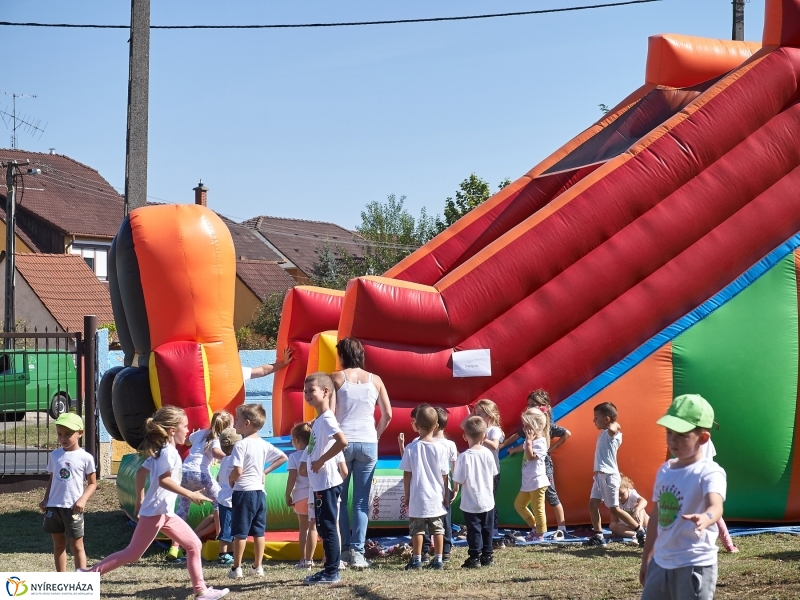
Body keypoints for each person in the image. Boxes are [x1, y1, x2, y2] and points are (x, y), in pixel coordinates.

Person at [82, 406, 229, 600]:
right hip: (156, 512)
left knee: (193, 544)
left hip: (164, 512)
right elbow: (163, 480)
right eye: (184, 426)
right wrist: (190, 495)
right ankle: (88, 576)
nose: (187, 430)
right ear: (172, 430)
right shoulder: (168, 453)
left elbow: (141, 473)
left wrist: (140, 498)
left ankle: (201, 591)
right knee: (132, 554)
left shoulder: (162, 452)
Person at [640, 394, 727, 600]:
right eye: (669, 432)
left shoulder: (709, 472)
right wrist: (646, 557)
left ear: (703, 438)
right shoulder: (665, 470)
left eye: (681, 434)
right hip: (661, 562)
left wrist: (706, 517)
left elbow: (716, 505)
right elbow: (656, 517)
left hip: (694, 564)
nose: (673, 440)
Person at [330, 337, 392, 569]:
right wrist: (376, 435)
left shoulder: (336, 378)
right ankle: (358, 551)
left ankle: (344, 549)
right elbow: (388, 414)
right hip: (368, 442)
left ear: (342, 355)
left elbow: (331, 412)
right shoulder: (376, 380)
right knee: (361, 502)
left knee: (339, 499)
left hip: (342, 442)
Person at [501, 389, 571, 538]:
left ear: (543, 406)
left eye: (533, 404)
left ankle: (561, 527)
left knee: (551, 496)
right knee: (527, 503)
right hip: (531, 471)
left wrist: (551, 448)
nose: (529, 407)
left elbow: (566, 433)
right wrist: (506, 446)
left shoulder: (546, 426)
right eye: (529, 404)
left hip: (543, 467)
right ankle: (536, 527)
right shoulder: (529, 425)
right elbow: (518, 437)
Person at [228, 404, 287, 579]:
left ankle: (236, 567)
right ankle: (257, 566)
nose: (235, 423)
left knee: (240, 532)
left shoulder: (241, 445)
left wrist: (230, 479)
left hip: (243, 492)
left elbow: (237, 471)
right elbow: (283, 457)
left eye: (237, 419)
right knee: (259, 532)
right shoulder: (263, 444)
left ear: (246, 423)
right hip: (259, 493)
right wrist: (264, 472)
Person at [167, 410, 233, 561]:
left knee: (182, 510)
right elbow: (216, 452)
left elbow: (186, 442)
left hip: (184, 473)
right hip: (201, 474)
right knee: (220, 503)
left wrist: (196, 436)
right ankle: (220, 538)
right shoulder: (217, 439)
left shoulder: (201, 433)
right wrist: (231, 457)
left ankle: (174, 547)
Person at [303, 372, 349, 585]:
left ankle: (331, 572)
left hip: (327, 483)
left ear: (325, 391)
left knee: (328, 527)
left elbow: (342, 442)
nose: (307, 395)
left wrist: (320, 461)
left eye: (311, 390)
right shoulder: (320, 420)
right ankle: (329, 569)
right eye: (305, 391)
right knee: (323, 527)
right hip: (320, 483)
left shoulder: (328, 418)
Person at [39, 413, 97, 572]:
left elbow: (93, 483)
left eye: (68, 434)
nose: (63, 438)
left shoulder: (86, 458)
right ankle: (62, 581)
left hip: (73, 508)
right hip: (54, 507)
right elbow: (53, 479)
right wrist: (46, 500)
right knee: (58, 544)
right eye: (59, 434)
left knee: (77, 545)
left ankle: (81, 580)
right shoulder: (55, 455)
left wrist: (83, 500)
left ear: (80, 433)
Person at [585, 402, 645, 547]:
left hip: (609, 476)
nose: (594, 420)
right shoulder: (603, 434)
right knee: (593, 504)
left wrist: (615, 423)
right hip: (599, 476)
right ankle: (599, 536)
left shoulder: (614, 435)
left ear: (606, 419)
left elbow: (614, 428)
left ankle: (640, 532)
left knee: (614, 508)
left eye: (596, 417)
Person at [400, 405, 450, 571]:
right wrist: (446, 494)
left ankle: (417, 559)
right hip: (436, 496)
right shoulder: (441, 448)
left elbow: (407, 474)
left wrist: (407, 494)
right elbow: (445, 474)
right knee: (438, 528)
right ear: (436, 426)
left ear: (416, 425)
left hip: (417, 496)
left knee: (417, 529)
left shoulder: (411, 448)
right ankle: (439, 559)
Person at [453, 416, 498, 569]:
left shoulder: (464, 457)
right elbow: (493, 473)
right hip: (488, 500)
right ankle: (488, 555)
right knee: (487, 529)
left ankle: (474, 557)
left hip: (470, 502)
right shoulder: (488, 454)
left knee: (474, 531)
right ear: (485, 436)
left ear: (465, 436)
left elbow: (458, 479)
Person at [513, 408, 550, 542]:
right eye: (524, 425)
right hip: (528, 482)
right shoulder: (530, 441)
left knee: (538, 508)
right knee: (519, 504)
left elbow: (530, 457)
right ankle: (534, 526)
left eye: (528, 426)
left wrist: (529, 442)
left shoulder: (540, 442)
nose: (525, 429)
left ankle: (540, 533)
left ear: (539, 426)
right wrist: (514, 449)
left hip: (538, 482)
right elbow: (523, 448)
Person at [286, 422, 317, 571]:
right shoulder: (315, 453)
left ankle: (304, 559)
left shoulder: (293, 457)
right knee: (317, 527)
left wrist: (287, 494)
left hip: (300, 496)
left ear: (297, 440)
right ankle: (326, 556)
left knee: (303, 528)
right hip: (315, 494)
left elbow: (292, 478)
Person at [472, 399, 504, 535]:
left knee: (489, 500)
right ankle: (480, 527)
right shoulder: (478, 430)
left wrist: (482, 438)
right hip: (479, 471)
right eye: (475, 414)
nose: (477, 417)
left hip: (491, 472)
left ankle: (493, 528)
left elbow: (495, 445)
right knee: (479, 499)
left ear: (489, 417)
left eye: (480, 414)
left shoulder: (494, 430)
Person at [702, 438, 738, 553]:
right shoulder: (707, 441)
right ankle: (729, 545)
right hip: (704, 477)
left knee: (714, 514)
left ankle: (729, 545)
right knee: (715, 516)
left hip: (702, 478)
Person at [433, 407, 458, 562]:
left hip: (429, 487)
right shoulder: (450, 444)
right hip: (445, 487)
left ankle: (427, 547)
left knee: (428, 518)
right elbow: (454, 469)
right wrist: (456, 487)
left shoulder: (422, 443)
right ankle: (446, 549)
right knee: (445, 518)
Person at [215, 427, 241, 566]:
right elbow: (236, 475)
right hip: (228, 500)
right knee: (227, 529)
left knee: (230, 529)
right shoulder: (234, 460)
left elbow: (219, 477)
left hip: (225, 498)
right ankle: (223, 555)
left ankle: (229, 553)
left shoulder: (225, 459)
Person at [610, 475, 649, 541]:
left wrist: (637, 510)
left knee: (639, 507)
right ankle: (638, 534)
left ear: (627, 488)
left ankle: (642, 531)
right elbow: (614, 516)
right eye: (617, 495)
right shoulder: (615, 500)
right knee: (612, 525)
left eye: (622, 494)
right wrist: (614, 532)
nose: (619, 498)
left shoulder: (632, 493)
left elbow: (643, 501)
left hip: (644, 524)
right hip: (629, 527)